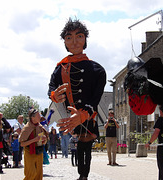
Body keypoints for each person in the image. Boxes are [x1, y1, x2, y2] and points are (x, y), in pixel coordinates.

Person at [48, 18, 106, 180]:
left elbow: (95, 98)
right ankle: (82, 175)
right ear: (65, 42)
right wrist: (54, 94)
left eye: (79, 36)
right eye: (69, 38)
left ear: (85, 39)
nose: (74, 41)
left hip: (87, 116)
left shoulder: (97, 70)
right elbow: (51, 87)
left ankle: (83, 175)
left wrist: (84, 113)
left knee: (86, 146)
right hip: (70, 117)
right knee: (80, 147)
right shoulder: (61, 67)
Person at [145, 105, 163, 180]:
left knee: (162, 166)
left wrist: (149, 142)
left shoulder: (160, 120)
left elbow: (156, 133)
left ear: (161, 111)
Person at [19, 108, 48, 180]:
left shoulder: (40, 127)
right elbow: (22, 144)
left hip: (39, 151)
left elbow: (44, 141)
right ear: (32, 117)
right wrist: (34, 140)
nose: (40, 117)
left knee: (39, 175)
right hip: (29, 152)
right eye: (38, 115)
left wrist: (44, 139)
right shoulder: (26, 128)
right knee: (31, 174)